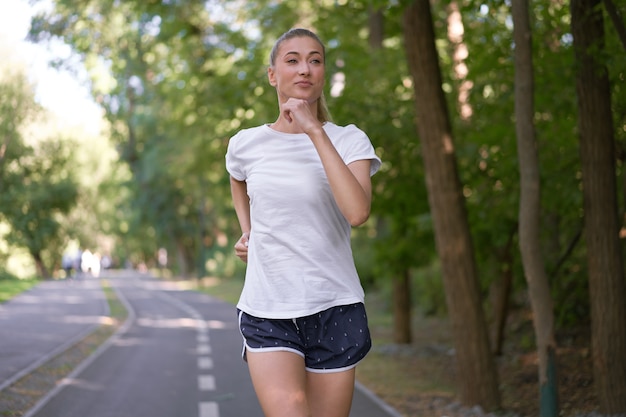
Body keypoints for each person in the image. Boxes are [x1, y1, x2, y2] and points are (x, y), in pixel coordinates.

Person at [225, 28, 381, 417]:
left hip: (335, 306)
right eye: (292, 60)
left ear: (323, 73)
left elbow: (357, 212)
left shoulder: (349, 140)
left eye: (315, 60)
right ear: (273, 74)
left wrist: (314, 129)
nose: (305, 69)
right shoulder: (246, 143)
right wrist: (249, 231)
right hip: (268, 307)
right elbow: (236, 177)